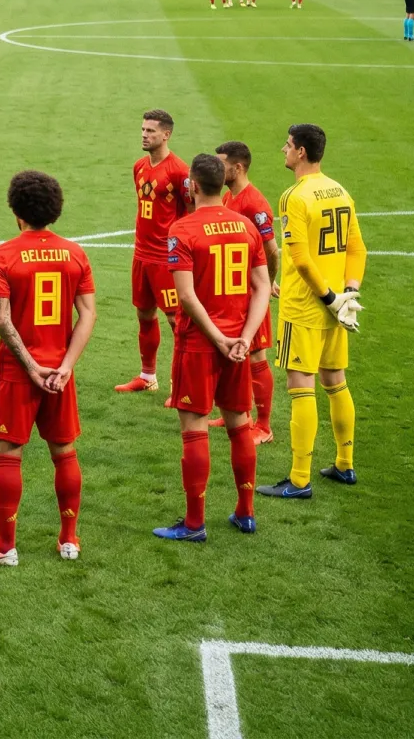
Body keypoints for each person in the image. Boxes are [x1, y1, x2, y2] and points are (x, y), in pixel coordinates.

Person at [0, 170, 96, 565]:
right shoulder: (76, 254)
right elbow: (89, 314)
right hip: (61, 371)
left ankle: (6, 548)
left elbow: (2, 320)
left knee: (9, 453)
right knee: (64, 452)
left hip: (17, 372)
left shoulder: (3, 255)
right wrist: (65, 366)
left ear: (16, 210)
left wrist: (31, 367)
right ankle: (69, 540)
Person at [153, 154, 273, 543]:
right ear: (223, 183)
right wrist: (244, 336)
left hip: (200, 345)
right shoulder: (244, 227)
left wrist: (218, 338)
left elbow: (185, 296)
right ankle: (246, 512)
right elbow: (261, 288)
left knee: (195, 428)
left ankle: (194, 523)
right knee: (240, 426)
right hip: (239, 343)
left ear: (191, 185)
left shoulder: (182, 229)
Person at [258, 124, 366, 500]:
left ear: (301, 152)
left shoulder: (294, 196)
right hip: (336, 305)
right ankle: (344, 463)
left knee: (300, 386)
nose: (283, 150)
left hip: (306, 305)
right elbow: (358, 249)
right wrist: (347, 293)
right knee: (336, 380)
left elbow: (301, 259)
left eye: (287, 145)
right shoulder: (339, 190)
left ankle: (300, 479)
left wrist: (327, 297)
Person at [116, 110, 190, 399]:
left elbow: (191, 212)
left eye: (150, 131)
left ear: (166, 135)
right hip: (141, 256)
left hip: (165, 260)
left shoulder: (179, 171)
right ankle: (148, 377)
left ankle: (182, 385)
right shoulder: (139, 167)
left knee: (177, 322)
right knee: (144, 315)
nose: (144, 135)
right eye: (143, 129)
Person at [214, 141, 282, 444]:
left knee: (255, 355)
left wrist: (265, 285)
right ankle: (239, 412)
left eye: (222, 164)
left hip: (251, 295)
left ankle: (264, 427)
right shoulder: (230, 197)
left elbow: (272, 250)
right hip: (234, 293)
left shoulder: (254, 204)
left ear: (237, 167)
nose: (217, 169)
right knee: (237, 356)